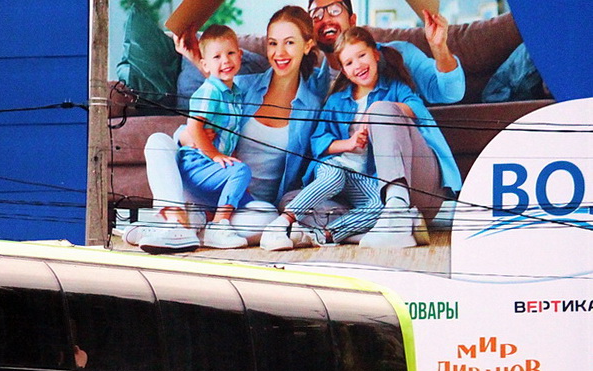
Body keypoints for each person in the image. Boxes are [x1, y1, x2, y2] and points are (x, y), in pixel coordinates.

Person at [140, 8, 322, 250]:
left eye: (290, 42)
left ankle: (193, 227)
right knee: (158, 142)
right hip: (210, 182)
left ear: (307, 45)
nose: (280, 52)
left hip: (248, 204)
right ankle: (175, 222)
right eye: (273, 43)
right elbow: (209, 101)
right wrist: (186, 135)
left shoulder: (312, 107)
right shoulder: (244, 88)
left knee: (267, 218)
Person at [264, 27, 449, 248]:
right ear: (343, 70)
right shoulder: (337, 101)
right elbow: (319, 141)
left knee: (380, 205)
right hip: (336, 167)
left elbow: (417, 109)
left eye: (362, 55)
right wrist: (349, 143)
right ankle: (280, 224)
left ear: (376, 55)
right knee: (316, 186)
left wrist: (376, 112)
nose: (358, 65)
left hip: (365, 180)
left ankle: (326, 235)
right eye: (349, 63)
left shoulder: (394, 88)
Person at [306, 0, 463, 245]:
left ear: (353, 18)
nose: (326, 18)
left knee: (380, 110)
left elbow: (451, 93)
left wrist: (439, 47)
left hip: (414, 178)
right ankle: (366, 230)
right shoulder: (316, 83)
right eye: (316, 13)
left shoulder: (397, 58)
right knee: (294, 203)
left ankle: (397, 215)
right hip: (359, 190)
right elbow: (317, 142)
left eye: (334, 9)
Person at [176, 24, 253, 249]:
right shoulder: (211, 90)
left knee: (254, 204)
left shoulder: (235, 93)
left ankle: (202, 220)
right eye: (217, 57)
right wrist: (215, 155)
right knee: (242, 170)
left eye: (230, 53)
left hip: (212, 167)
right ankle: (219, 225)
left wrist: (226, 159)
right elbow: (194, 127)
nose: (225, 61)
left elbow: (231, 136)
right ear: (205, 65)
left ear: (240, 56)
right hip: (196, 163)